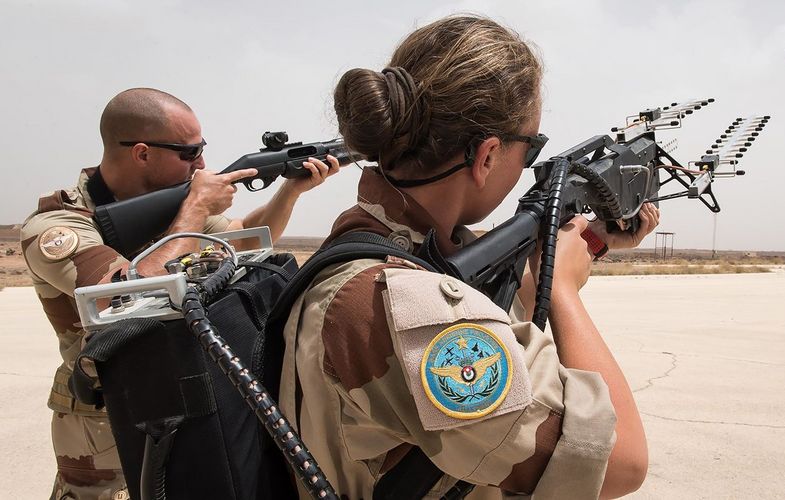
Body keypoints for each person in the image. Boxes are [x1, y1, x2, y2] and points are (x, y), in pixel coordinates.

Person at [280, 15, 657, 499]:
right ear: (486, 157)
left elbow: (490, 289)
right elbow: (621, 462)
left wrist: (594, 243)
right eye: (532, 147)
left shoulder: (379, 247)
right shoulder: (396, 304)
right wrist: (562, 292)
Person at [19, 87, 340, 500]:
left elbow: (244, 241)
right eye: (189, 153)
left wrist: (289, 191)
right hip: (103, 417)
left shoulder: (169, 209)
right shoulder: (58, 223)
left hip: (184, 396)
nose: (203, 165)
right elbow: (121, 297)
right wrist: (194, 211)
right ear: (142, 153)